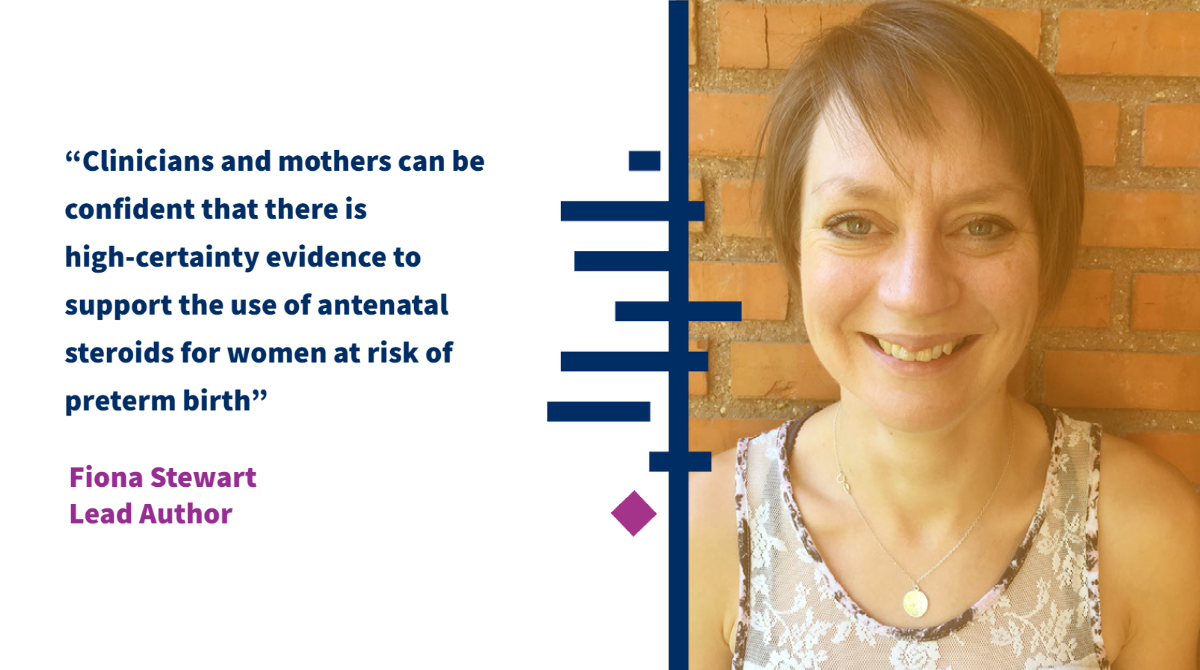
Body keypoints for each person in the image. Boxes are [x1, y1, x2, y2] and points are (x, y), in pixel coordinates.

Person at [688, 1, 1200, 668]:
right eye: (855, 223)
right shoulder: (696, 535)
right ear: (796, 249)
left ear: (1048, 255)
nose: (916, 291)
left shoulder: (1149, 535)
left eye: (981, 226)